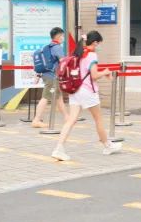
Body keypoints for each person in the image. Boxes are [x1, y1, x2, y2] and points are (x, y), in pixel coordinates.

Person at [51, 31, 120, 161]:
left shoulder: (77, 53)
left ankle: (58, 148)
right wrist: (105, 71)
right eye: (99, 43)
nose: (99, 46)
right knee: (98, 119)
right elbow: (94, 75)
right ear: (95, 42)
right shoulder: (92, 55)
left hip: (75, 90)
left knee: (71, 120)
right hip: (88, 91)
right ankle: (107, 146)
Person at [31, 27, 67, 129]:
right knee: (45, 98)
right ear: (59, 36)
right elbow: (63, 61)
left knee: (59, 98)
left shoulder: (48, 47)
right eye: (63, 36)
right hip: (52, 77)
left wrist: (38, 75)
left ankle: (67, 117)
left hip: (48, 76)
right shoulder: (57, 47)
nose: (63, 38)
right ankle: (36, 120)